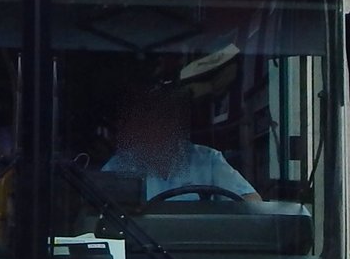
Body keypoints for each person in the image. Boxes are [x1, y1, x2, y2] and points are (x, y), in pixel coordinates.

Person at [101, 83, 259, 202]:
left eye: (168, 118)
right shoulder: (120, 165)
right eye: (154, 117)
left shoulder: (208, 160)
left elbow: (251, 203)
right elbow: (98, 216)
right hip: (141, 244)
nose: (161, 125)